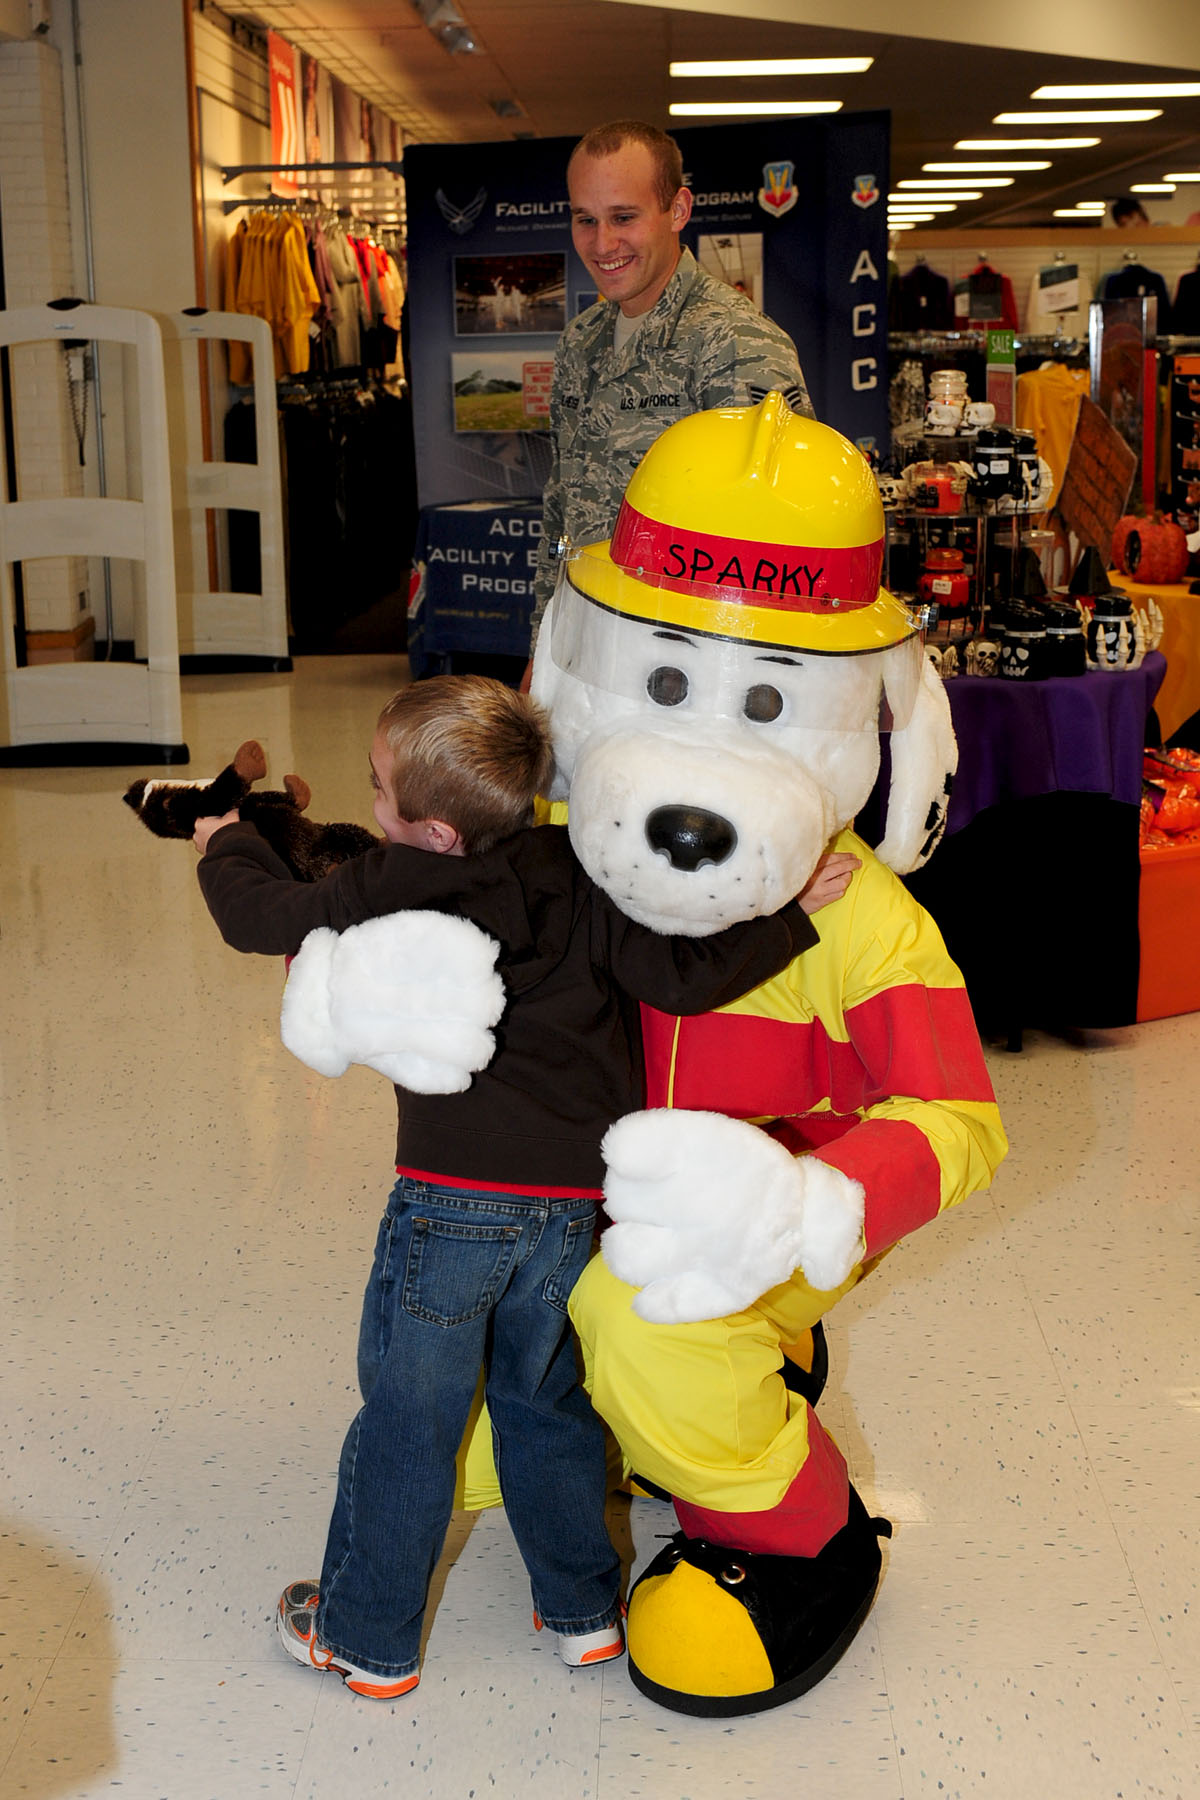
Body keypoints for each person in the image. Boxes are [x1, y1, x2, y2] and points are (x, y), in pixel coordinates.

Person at [192, 674, 855, 1702]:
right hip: (571, 1211)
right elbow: (682, 973)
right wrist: (789, 916)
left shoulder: (402, 878)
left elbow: (257, 914)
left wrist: (228, 836)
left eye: (380, 793)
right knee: (546, 1401)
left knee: (410, 1417)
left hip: (450, 1205)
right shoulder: (580, 869)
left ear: (440, 834)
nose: (373, 813)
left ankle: (366, 1635)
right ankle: (585, 1611)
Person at [529, 119, 813, 658]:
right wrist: (542, 646)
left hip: (686, 671)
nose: (602, 243)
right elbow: (560, 511)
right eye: (585, 219)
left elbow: (786, 537)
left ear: (677, 210)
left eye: (624, 217)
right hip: (582, 653)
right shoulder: (581, 343)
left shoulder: (733, 341)